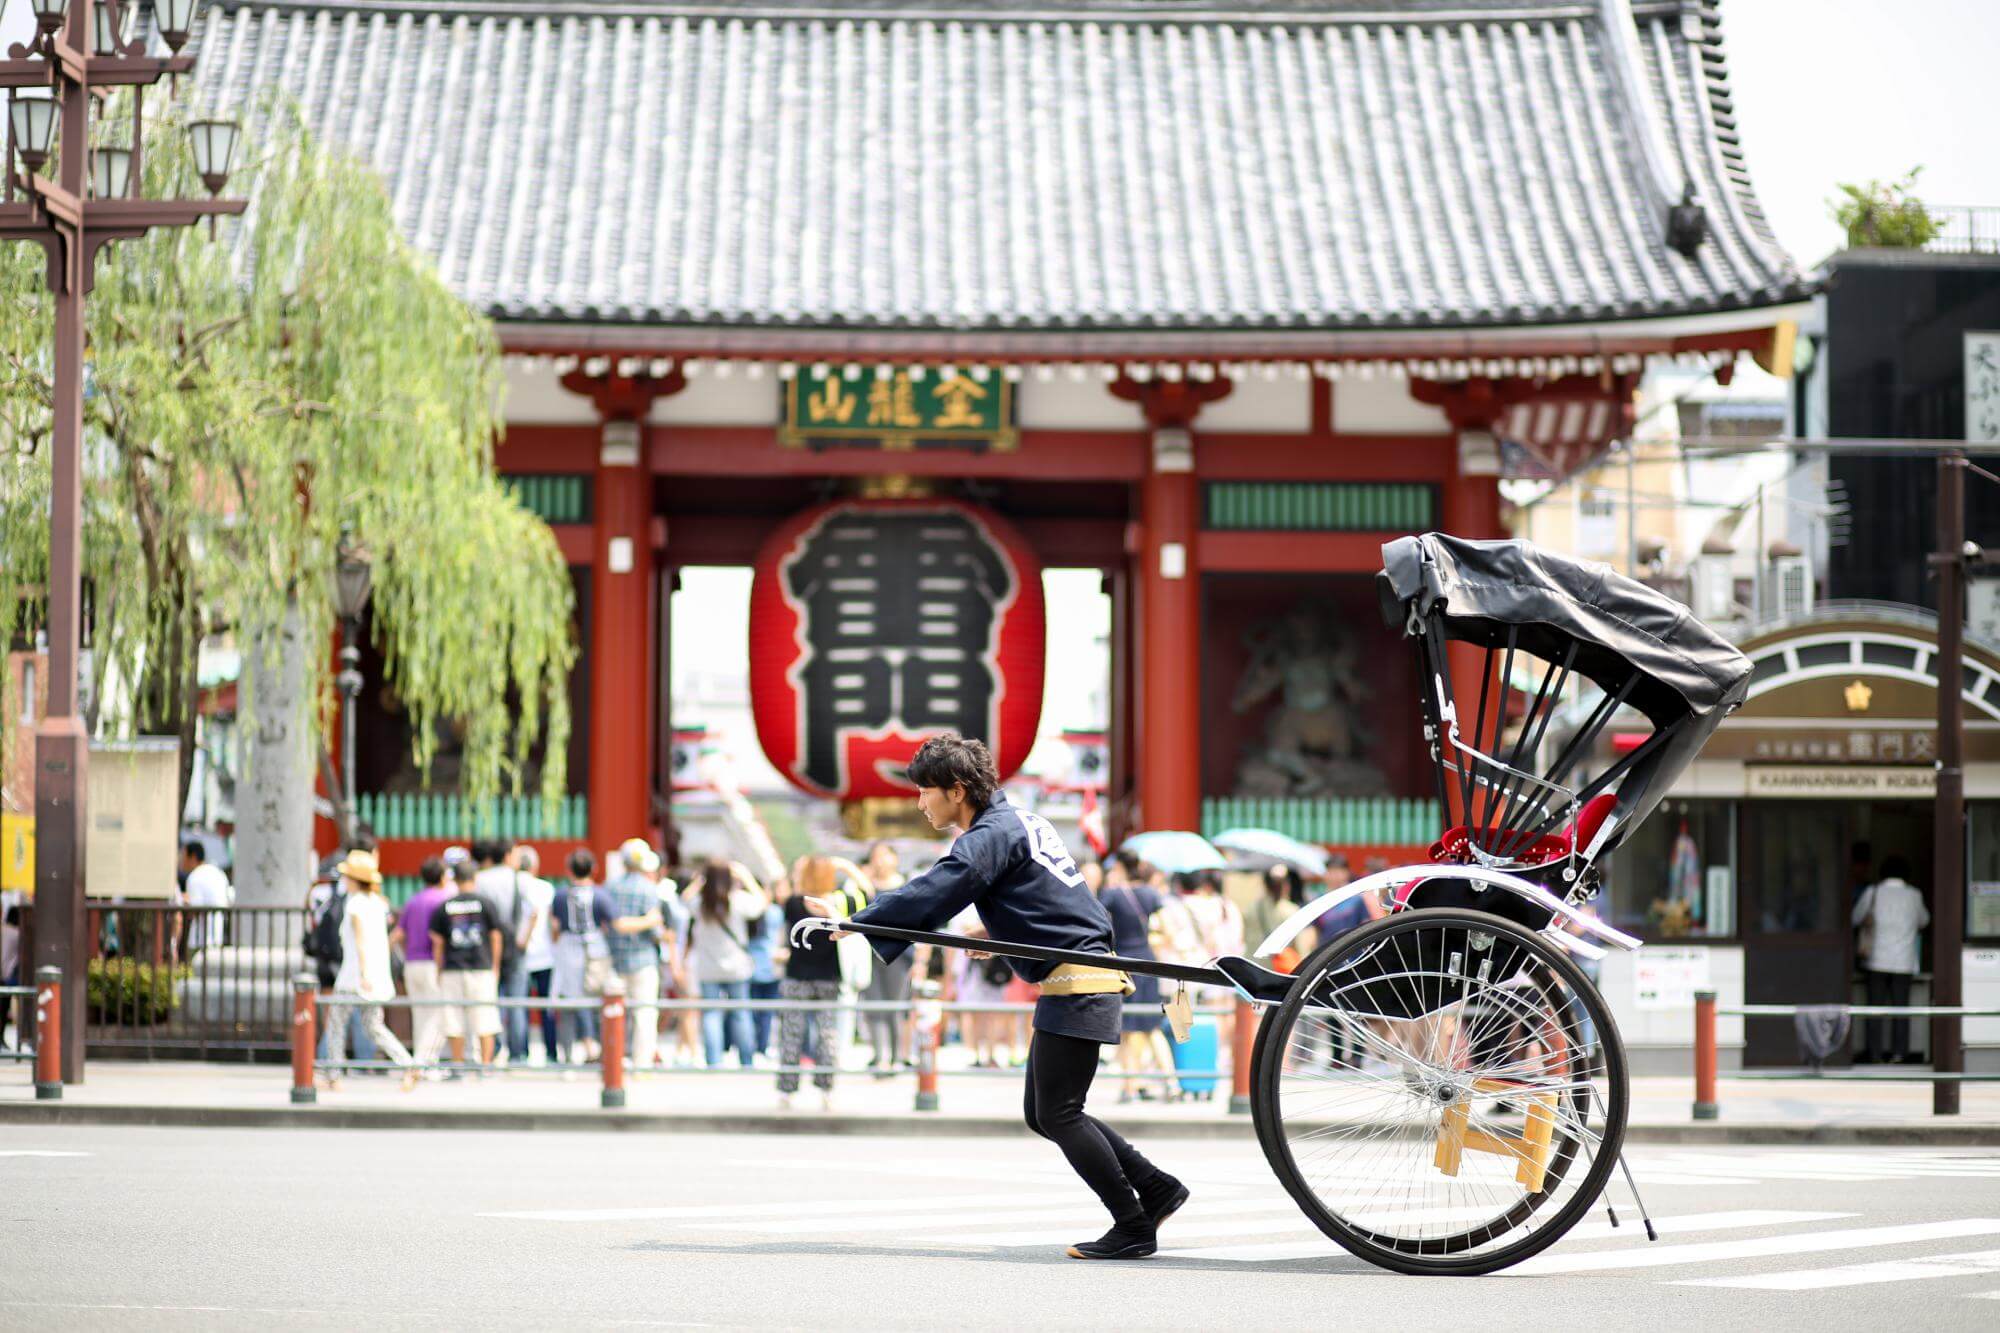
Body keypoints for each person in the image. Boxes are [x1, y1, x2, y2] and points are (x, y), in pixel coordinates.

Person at [832, 733, 1186, 1261]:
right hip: (1078, 973)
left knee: (1060, 1112)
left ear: (956, 790)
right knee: (1044, 1112)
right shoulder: (1018, 821)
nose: (920, 802)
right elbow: (1048, 902)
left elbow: (940, 886)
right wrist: (990, 937)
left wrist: (857, 919)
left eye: (926, 791)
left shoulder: (988, 834)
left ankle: (1133, 1222)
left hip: (1080, 980)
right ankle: (1154, 1186)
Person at [318, 849, 415, 1091]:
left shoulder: (356, 904)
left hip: (354, 976)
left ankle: (333, 1074)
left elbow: (360, 940)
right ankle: (408, 1064)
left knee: (337, 1023)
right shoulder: (377, 903)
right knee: (373, 1026)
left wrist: (363, 973)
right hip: (374, 975)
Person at [1097, 852, 1174, 1102]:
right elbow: (1168, 927)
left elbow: (1097, 917)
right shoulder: (1151, 894)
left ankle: (1130, 1086)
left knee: (1129, 1028)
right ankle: (1171, 1084)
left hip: (1125, 962)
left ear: (1119, 867)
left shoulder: (1113, 894)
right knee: (1152, 1027)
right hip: (1148, 960)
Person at [682, 859, 770, 1067]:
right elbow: (763, 902)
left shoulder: (700, 903)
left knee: (711, 1014)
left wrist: (699, 881)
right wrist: (746, 877)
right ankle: (746, 1061)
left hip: (708, 968)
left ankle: (714, 1061)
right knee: (741, 1013)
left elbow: (683, 900)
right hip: (737, 966)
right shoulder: (738, 900)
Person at [777, 856, 847, 1109]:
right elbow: (868, 892)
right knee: (827, 1034)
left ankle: (787, 1091)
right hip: (829, 977)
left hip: (797, 975)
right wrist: (845, 867)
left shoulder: (794, 903)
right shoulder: (840, 903)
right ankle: (826, 1089)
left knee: (791, 1033)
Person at [595, 838, 670, 1070]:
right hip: (643, 959)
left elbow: (604, 924)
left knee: (614, 1014)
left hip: (614, 959)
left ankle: (613, 1063)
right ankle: (642, 1066)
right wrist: (652, 923)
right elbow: (656, 931)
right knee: (644, 1016)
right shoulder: (649, 888)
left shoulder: (609, 886)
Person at [1853, 855, 1931, 1065]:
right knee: (1900, 1009)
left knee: (1874, 1009)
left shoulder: (1873, 892)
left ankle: (1875, 1054)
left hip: (1876, 960)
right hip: (1903, 960)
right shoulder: (1914, 895)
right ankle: (1899, 1054)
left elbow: (1855, 918)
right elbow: (1925, 920)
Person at [430, 860, 505, 1071]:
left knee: (453, 1019)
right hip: (481, 967)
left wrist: (438, 969)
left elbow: (438, 942)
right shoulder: (486, 903)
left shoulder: (445, 906)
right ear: (475, 878)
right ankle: (486, 1066)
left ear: (455, 879)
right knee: (486, 1019)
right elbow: (496, 937)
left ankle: (458, 1066)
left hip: (453, 967)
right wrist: (495, 966)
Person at [859, 842, 919, 1074]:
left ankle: (896, 1056)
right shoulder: (865, 887)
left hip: (898, 956)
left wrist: (920, 961)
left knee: (895, 1007)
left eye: (885, 855)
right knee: (874, 1006)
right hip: (869, 954)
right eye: (875, 856)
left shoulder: (906, 885)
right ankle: (879, 1055)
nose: (880, 861)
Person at [391, 856, 453, 1074]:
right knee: (438, 1016)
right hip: (432, 964)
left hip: (412, 964)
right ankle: (421, 1065)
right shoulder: (445, 899)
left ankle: (425, 1066)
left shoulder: (413, 901)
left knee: (420, 1017)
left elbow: (398, 933)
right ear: (442, 876)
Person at [475, 840, 532, 1066]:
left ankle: (495, 1048)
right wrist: (523, 939)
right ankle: (518, 1054)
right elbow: (532, 912)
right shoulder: (520, 880)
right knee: (516, 1002)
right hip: (515, 947)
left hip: (489, 946)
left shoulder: (481, 879)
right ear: (508, 855)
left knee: (490, 1000)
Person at [549, 849, 607, 1066]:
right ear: (594, 869)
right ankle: (596, 1048)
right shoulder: (600, 894)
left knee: (568, 1004)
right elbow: (610, 924)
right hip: (595, 952)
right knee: (596, 1002)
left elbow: (554, 927)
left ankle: (568, 1056)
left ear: (568, 870)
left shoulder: (561, 895)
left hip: (567, 951)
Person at [514, 846, 557, 1063]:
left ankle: (520, 1052)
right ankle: (551, 1052)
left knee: (518, 1005)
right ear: (534, 865)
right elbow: (553, 922)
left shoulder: (511, 884)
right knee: (545, 1006)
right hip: (544, 953)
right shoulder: (545, 888)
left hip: (517, 954)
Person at [747, 874, 788, 1057]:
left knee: (753, 1012)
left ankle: (754, 1048)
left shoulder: (747, 912)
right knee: (767, 1013)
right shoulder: (774, 912)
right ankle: (762, 1048)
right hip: (771, 965)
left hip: (753, 966)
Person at [178, 838, 234, 957]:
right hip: (218, 938)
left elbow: (195, 909)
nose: (181, 861)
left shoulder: (195, 877)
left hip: (199, 940)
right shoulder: (218, 873)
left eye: (183, 856)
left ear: (192, 857)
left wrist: (183, 902)